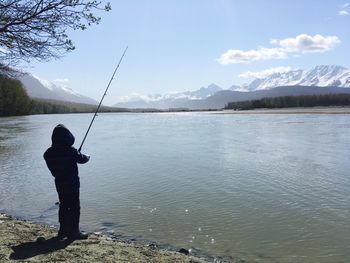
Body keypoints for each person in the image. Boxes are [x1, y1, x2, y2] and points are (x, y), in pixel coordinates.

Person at [44, 124, 90, 240]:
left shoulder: (48, 153)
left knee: (64, 206)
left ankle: (63, 230)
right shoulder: (70, 151)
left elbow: (65, 157)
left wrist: (74, 153)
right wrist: (87, 156)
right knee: (75, 207)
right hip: (72, 184)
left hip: (59, 184)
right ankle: (74, 232)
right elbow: (82, 159)